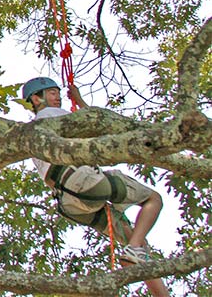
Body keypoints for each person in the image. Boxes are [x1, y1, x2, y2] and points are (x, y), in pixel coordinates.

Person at [23, 77, 169, 296]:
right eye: (52, 93)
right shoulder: (50, 116)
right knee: (153, 199)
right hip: (84, 181)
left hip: (70, 202)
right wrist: (79, 100)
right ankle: (135, 249)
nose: (58, 97)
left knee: (134, 239)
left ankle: (146, 268)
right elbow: (97, 124)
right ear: (37, 98)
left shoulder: (31, 134)